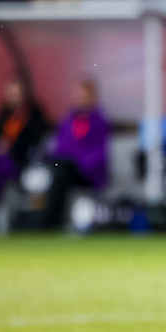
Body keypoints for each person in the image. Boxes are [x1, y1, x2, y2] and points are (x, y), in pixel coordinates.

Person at [43, 79, 110, 229]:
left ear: (93, 97)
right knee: (58, 170)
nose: (81, 99)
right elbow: (60, 146)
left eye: (85, 96)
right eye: (79, 96)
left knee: (61, 172)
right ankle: (50, 219)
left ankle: (50, 222)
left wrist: (77, 162)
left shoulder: (99, 121)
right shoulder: (68, 120)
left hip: (88, 172)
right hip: (66, 168)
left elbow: (100, 153)